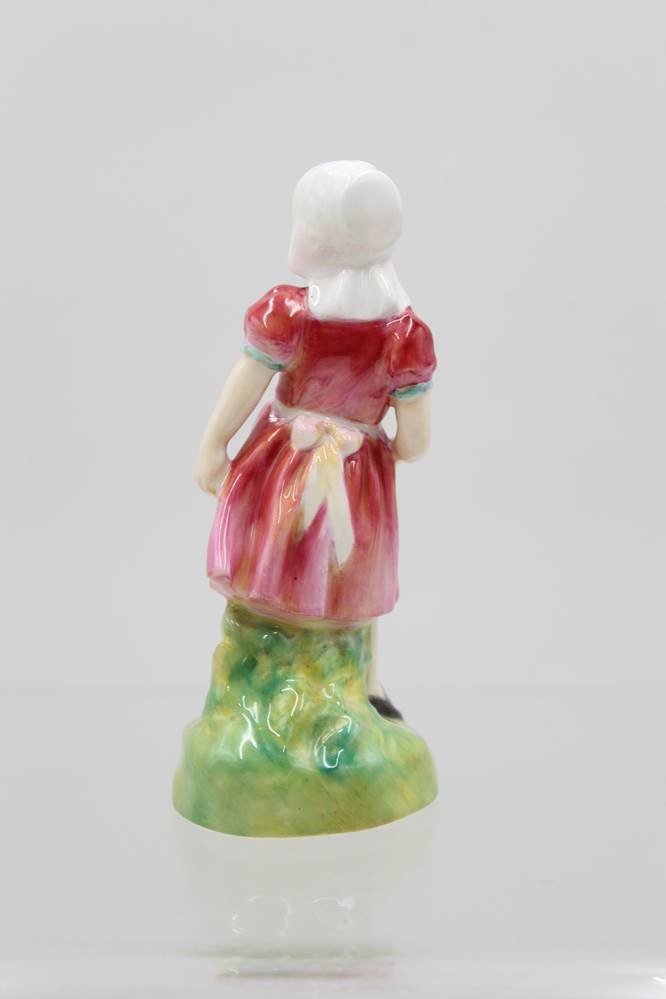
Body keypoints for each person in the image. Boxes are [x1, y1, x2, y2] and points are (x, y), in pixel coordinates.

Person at [195, 161, 436, 716]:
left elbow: (245, 385)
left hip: (284, 459)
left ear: (324, 240)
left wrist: (213, 445)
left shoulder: (290, 314)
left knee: (271, 557)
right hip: (356, 471)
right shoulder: (403, 336)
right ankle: (365, 685)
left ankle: (272, 673)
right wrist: (375, 441)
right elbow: (414, 443)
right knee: (354, 575)